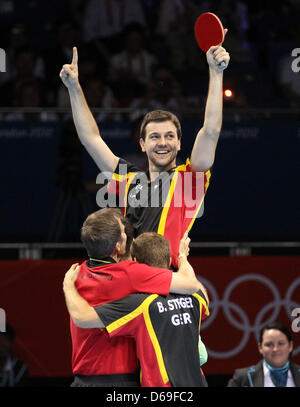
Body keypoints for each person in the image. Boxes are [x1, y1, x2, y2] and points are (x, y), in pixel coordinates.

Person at [59, 43, 230, 267]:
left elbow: (210, 130)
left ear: (179, 144)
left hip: (167, 284)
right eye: (154, 137)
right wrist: (74, 88)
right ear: (142, 143)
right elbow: (91, 139)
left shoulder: (188, 180)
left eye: (169, 136)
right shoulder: (128, 178)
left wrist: (216, 73)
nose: (162, 143)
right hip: (128, 282)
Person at [64, 207, 205, 387]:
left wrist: (68, 287)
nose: (128, 235)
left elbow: (79, 315)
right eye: (123, 232)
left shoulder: (77, 274)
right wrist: (182, 256)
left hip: (81, 381)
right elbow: (190, 283)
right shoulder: (130, 274)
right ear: (117, 246)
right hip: (118, 382)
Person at [227, 322, 300, 387]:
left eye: (281, 343)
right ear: (260, 347)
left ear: (290, 346)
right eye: (269, 344)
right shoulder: (243, 378)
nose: (275, 349)